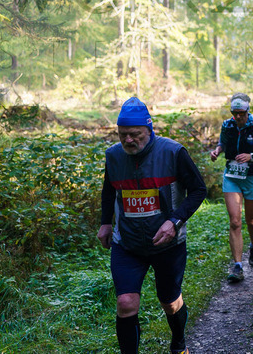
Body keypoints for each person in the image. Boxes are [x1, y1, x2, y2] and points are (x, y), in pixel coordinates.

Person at [98, 97, 207, 354]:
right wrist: (105, 223)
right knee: (125, 303)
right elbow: (108, 190)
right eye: (122, 134)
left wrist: (174, 222)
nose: (128, 140)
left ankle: (178, 341)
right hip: (127, 244)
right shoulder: (114, 156)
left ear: (150, 130)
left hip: (168, 243)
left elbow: (198, 190)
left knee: (170, 302)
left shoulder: (173, 152)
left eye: (135, 135)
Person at [209, 92, 253, 283]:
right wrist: (217, 151)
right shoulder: (227, 125)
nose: (237, 117)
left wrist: (252, 156)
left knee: (251, 220)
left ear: (248, 111)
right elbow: (222, 142)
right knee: (235, 221)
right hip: (232, 176)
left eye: (241, 113)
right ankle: (237, 266)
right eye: (234, 112)